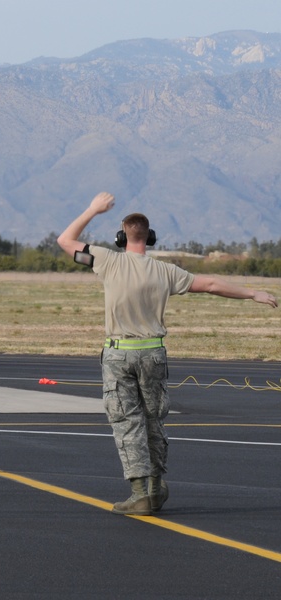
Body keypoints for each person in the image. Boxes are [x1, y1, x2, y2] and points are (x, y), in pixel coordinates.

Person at [57, 192, 277, 516]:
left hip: (119, 355)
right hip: (153, 355)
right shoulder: (166, 271)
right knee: (153, 422)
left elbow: (65, 240)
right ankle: (157, 490)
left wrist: (93, 209)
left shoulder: (106, 260)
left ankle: (139, 493)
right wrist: (253, 293)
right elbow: (213, 283)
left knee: (127, 423)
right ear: (150, 238)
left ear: (121, 237)